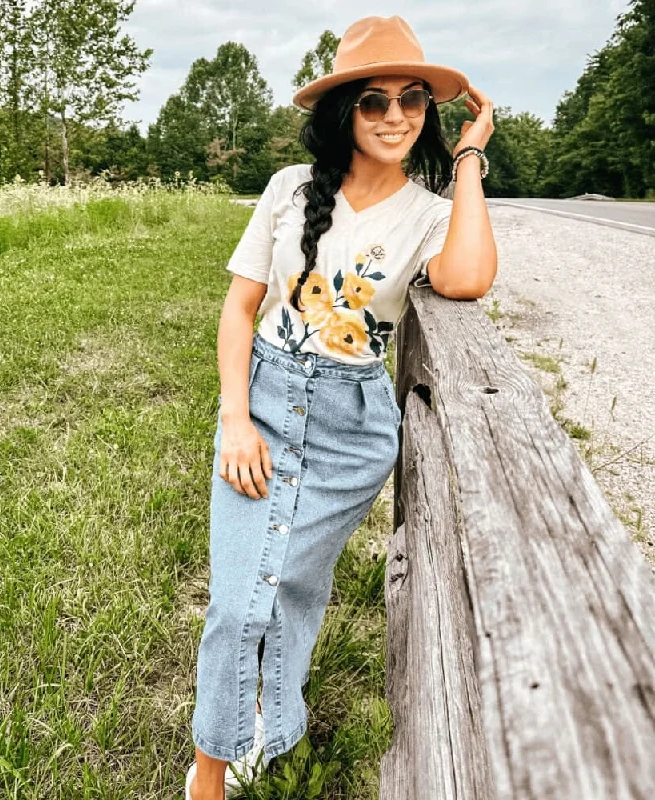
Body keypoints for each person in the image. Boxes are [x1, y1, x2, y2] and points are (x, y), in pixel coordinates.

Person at [186, 14, 496, 800]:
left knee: (289, 586)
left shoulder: (429, 212)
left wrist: (468, 159)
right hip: (262, 399)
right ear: (343, 112)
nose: (395, 117)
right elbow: (237, 309)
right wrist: (234, 417)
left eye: (413, 101)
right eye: (373, 102)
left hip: (348, 431)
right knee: (236, 601)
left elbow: (466, 278)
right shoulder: (290, 189)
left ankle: (267, 720)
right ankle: (211, 774)